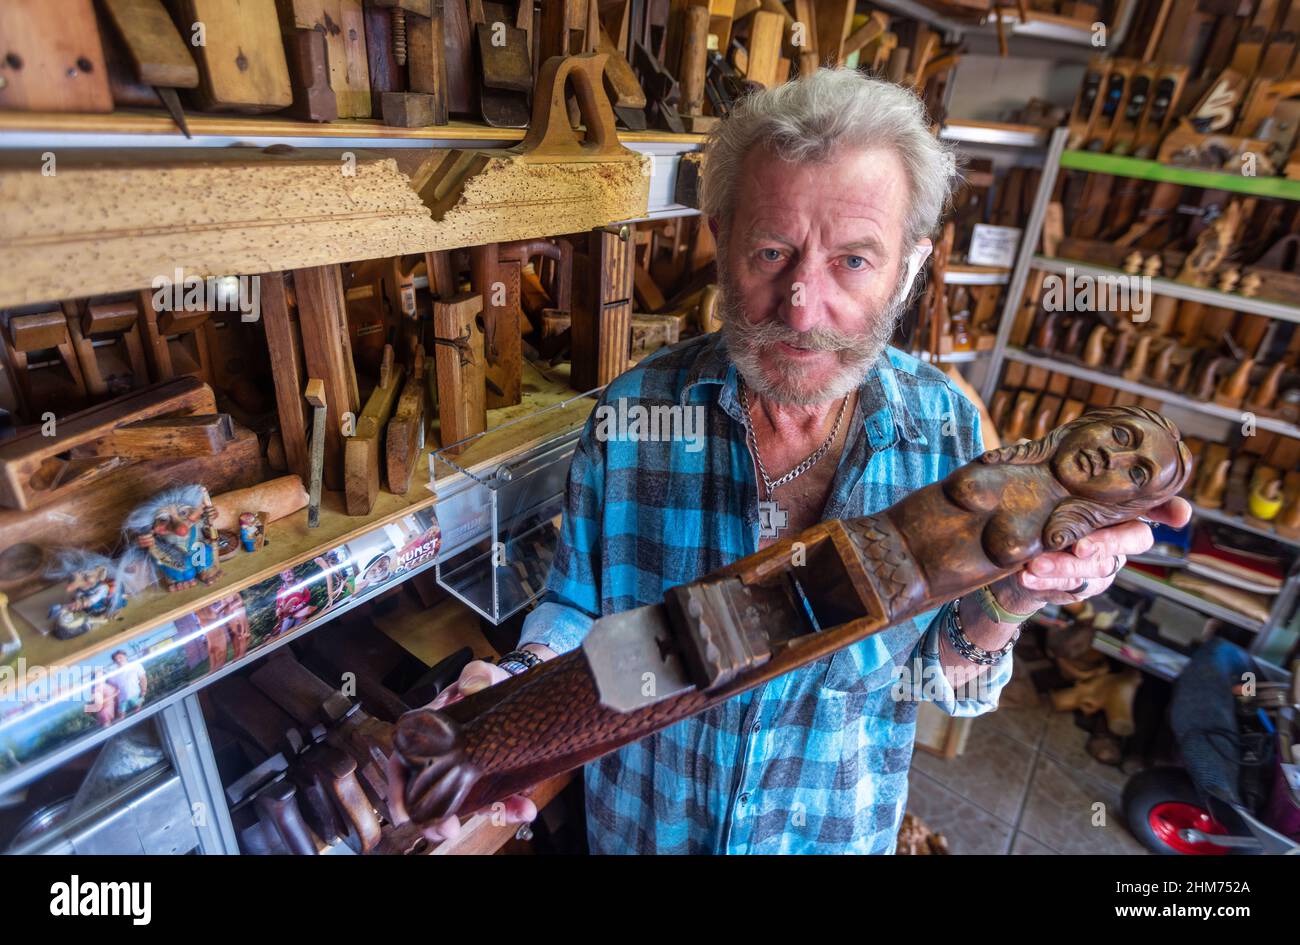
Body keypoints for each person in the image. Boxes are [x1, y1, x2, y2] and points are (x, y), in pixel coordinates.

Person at [393, 69, 1192, 853]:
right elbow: (576, 606)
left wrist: (1017, 593)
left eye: (853, 261)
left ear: (909, 269)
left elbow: (954, 674)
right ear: (719, 237)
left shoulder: (947, 429)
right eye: (772, 252)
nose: (803, 306)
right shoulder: (636, 412)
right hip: (645, 825)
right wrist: (511, 690)